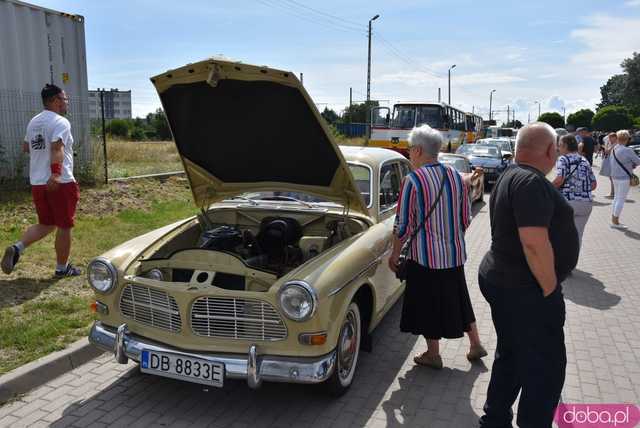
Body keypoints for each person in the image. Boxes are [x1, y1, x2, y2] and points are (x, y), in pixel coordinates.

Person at [478, 122, 579, 428]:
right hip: (527, 290)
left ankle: (494, 419)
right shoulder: (531, 183)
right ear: (551, 150)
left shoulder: (510, 174)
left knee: (511, 353)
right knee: (545, 369)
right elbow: (534, 244)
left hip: (504, 280)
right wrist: (550, 292)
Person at [389, 124, 487, 370]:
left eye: (410, 149)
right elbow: (466, 217)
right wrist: (450, 239)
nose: (409, 153)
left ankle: (433, 354)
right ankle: (475, 344)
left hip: (424, 257)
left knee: (427, 304)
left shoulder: (413, 180)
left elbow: (402, 224)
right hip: (454, 255)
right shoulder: (456, 177)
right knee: (459, 298)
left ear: (419, 150)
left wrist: (395, 253)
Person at [1, 84, 81, 277]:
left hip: (37, 182)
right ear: (55, 100)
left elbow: (26, 147)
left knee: (47, 223)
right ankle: (62, 268)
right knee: (64, 225)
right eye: (64, 99)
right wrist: (55, 173)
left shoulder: (34, 122)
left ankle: (17, 248)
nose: (66, 102)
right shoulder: (61, 122)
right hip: (59, 182)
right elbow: (56, 148)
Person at [552, 134, 597, 249]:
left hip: (568, 202)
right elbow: (593, 185)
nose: (558, 148)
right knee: (578, 235)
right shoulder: (584, 160)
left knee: (560, 234)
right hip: (586, 204)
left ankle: (561, 263)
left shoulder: (563, 159)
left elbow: (559, 180)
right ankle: (572, 262)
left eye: (560, 145)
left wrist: (547, 188)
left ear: (565, 146)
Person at [610, 129, 640, 229]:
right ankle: (615, 221)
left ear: (618, 138)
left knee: (616, 198)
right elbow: (638, 161)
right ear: (627, 139)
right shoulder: (628, 150)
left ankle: (613, 219)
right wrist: (631, 165)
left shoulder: (614, 149)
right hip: (624, 177)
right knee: (621, 199)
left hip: (614, 176)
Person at [599, 132, 618, 198]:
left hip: (613, 162)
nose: (609, 139)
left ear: (615, 138)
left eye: (611, 138)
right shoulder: (611, 143)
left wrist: (605, 146)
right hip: (610, 161)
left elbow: (607, 151)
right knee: (611, 178)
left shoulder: (616, 144)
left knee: (612, 178)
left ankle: (613, 193)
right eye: (609, 137)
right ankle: (613, 192)